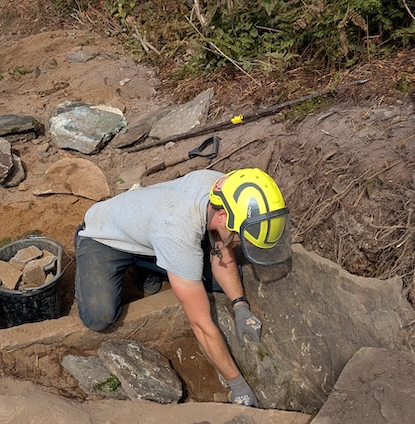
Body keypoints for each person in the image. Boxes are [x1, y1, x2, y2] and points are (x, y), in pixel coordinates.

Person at [73, 168, 290, 407]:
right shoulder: (177, 230)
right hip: (103, 235)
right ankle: (135, 263)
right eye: (241, 236)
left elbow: (222, 247)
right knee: (99, 316)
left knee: (219, 281)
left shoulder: (225, 191)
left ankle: (146, 261)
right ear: (222, 217)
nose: (242, 242)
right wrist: (237, 384)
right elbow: (200, 324)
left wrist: (240, 306)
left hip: (154, 228)